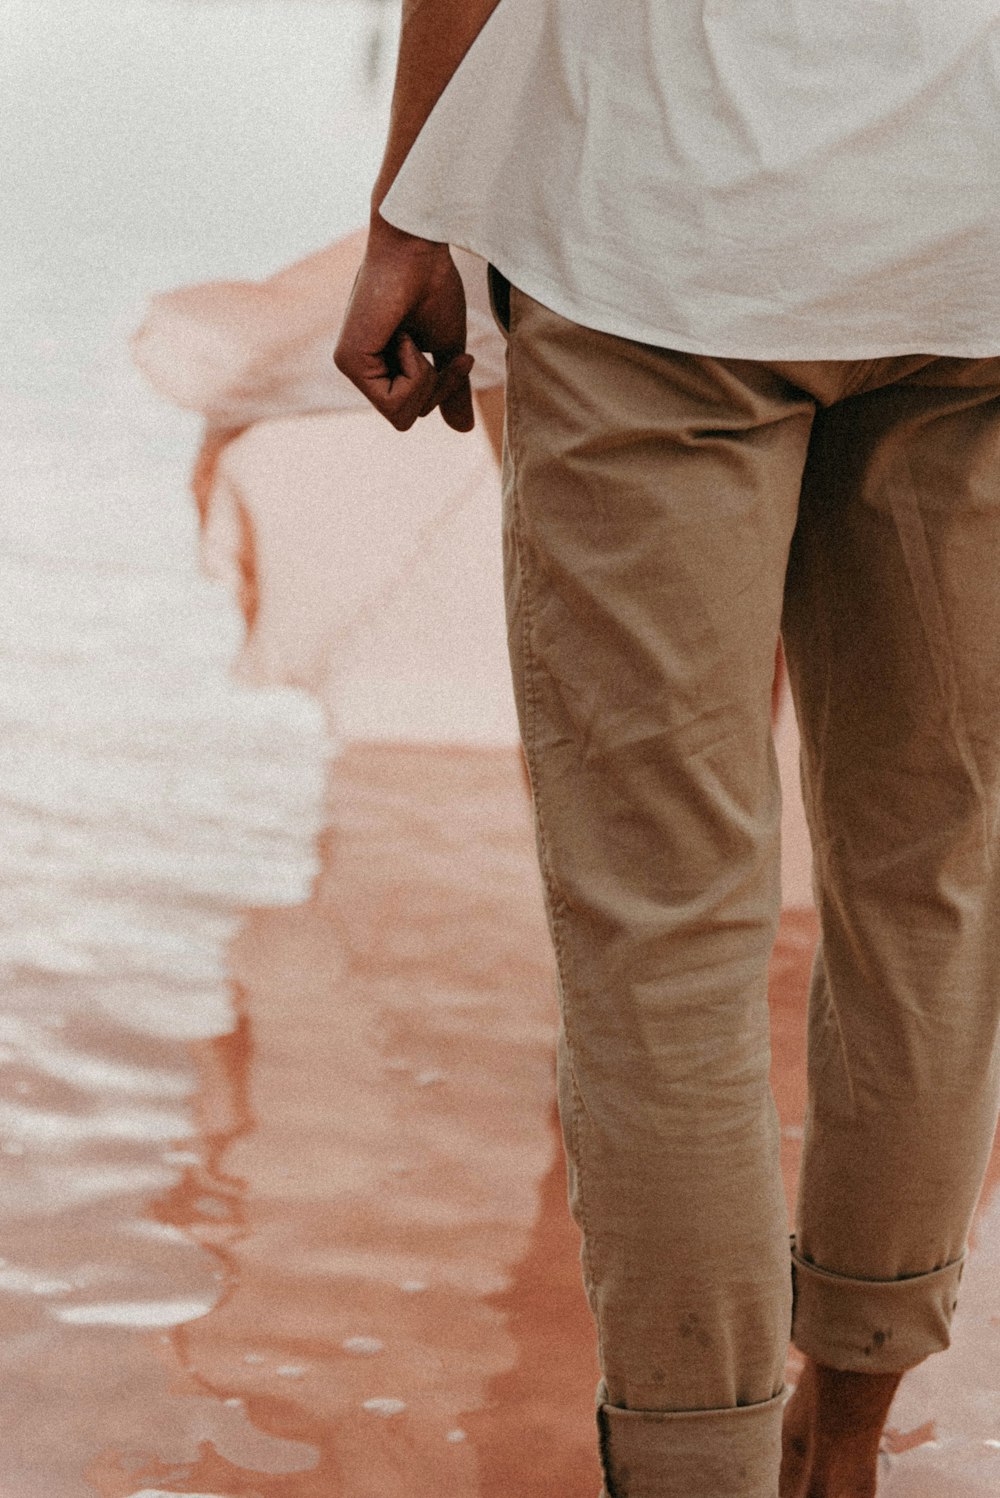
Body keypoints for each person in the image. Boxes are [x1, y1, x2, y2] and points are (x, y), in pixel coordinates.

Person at [334, 3, 1000, 1495]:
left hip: (661, 235)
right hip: (975, 228)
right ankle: (845, 1459)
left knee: (663, 941)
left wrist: (402, 221)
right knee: (933, 888)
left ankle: (701, 1471)